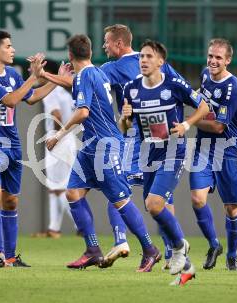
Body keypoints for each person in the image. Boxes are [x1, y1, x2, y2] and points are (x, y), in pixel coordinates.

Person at [47, 24, 181, 269]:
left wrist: (59, 133)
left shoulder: (92, 73)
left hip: (105, 145)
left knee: (121, 200)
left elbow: (83, 112)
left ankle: (150, 249)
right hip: (92, 145)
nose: (104, 46)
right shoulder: (96, 73)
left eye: (107, 42)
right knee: (73, 193)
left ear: (70, 56)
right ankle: (93, 250)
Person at [121, 39, 209, 283]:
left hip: (174, 151)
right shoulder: (131, 89)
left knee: (155, 203)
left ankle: (180, 248)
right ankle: (181, 250)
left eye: (149, 56)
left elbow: (203, 106)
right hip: (149, 153)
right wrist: (125, 118)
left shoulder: (174, 85)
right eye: (141, 57)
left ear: (161, 61)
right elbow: (125, 127)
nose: (144, 61)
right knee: (152, 207)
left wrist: (186, 124)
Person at [0, 30, 56, 267]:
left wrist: (54, 79)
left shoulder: (11, 74)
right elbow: (10, 100)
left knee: (11, 202)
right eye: (8, 46)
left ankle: (10, 257)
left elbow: (30, 97)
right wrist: (32, 76)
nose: (13, 50)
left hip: (12, 144)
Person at [189, 38, 237, 271]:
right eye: (210, 55)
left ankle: (232, 255)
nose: (212, 61)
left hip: (229, 151)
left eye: (218, 57)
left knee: (231, 207)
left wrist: (188, 122)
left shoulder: (233, 86)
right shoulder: (204, 75)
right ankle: (214, 244)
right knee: (197, 198)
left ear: (228, 60)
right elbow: (199, 100)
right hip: (203, 149)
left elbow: (219, 127)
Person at [32, 85, 78, 238]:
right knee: (57, 188)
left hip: (57, 140)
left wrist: (56, 136)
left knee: (58, 189)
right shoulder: (64, 93)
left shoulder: (50, 92)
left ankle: (82, 225)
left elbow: (56, 115)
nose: (32, 71)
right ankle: (54, 229)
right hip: (69, 139)